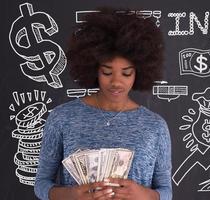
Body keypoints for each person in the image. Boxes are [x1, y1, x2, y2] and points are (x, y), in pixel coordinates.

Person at [34, 7, 172, 200]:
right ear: (93, 69)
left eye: (126, 73)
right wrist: (72, 194)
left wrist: (146, 195)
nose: (116, 82)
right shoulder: (62, 118)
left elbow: (166, 191)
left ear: (139, 71)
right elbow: (41, 184)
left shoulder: (156, 126)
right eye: (107, 72)